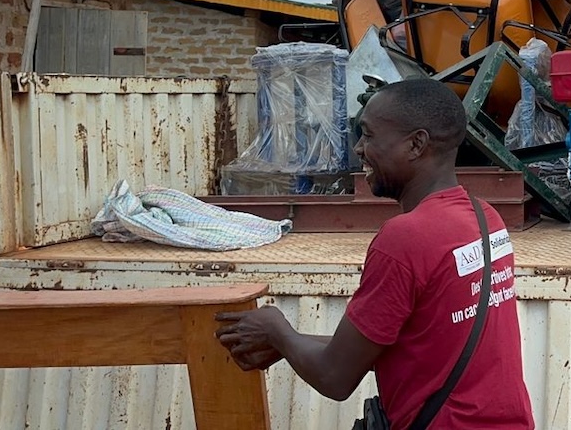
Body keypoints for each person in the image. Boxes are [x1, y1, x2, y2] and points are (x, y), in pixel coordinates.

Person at [215, 77, 535, 429]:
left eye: (368, 135)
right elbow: (418, 343)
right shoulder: (484, 216)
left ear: (416, 144)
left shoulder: (405, 238)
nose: (359, 149)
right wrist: (290, 346)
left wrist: (277, 329)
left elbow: (335, 378)